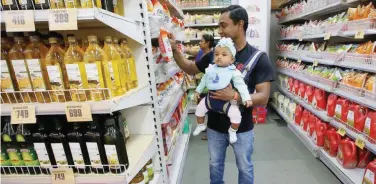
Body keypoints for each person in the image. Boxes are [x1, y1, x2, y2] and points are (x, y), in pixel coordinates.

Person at [169, 5, 275, 184]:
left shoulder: (258, 57)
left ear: (240, 25)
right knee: (215, 165)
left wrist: (234, 97)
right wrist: (173, 49)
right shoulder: (215, 55)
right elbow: (190, 68)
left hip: (242, 128)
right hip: (215, 127)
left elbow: (263, 97)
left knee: (244, 167)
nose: (220, 30)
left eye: (223, 25)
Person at [193, 37, 252, 144]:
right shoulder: (210, 69)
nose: (219, 57)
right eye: (216, 54)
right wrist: (198, 90)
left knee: (236, 117)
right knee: (199, 111)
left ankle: (233, 130)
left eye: (224, 55)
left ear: (232, 59)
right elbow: (204, 80)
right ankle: (201, 125)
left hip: (227, 103)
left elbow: (242, 86)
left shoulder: (233, 72)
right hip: (209, 100)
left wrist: (246, 98)